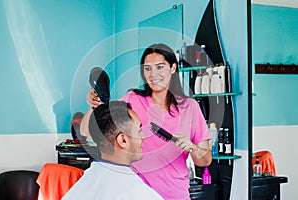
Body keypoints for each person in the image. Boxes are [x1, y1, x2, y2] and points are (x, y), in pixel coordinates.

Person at [81, 43, 212, 200]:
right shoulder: (132, 100)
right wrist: (93, 106)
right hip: (136, 194)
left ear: (173, 68)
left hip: (175, 195)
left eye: (160, 67)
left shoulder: (190, 107)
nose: (153, 74)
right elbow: (86, 130)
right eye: (147, 68)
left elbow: (205, 160)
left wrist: (192, 148)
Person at [62, 101, 163, 200]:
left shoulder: (82, 185)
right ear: (123, 140)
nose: (143, 136)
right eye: (139, 131)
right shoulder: (135, 191)